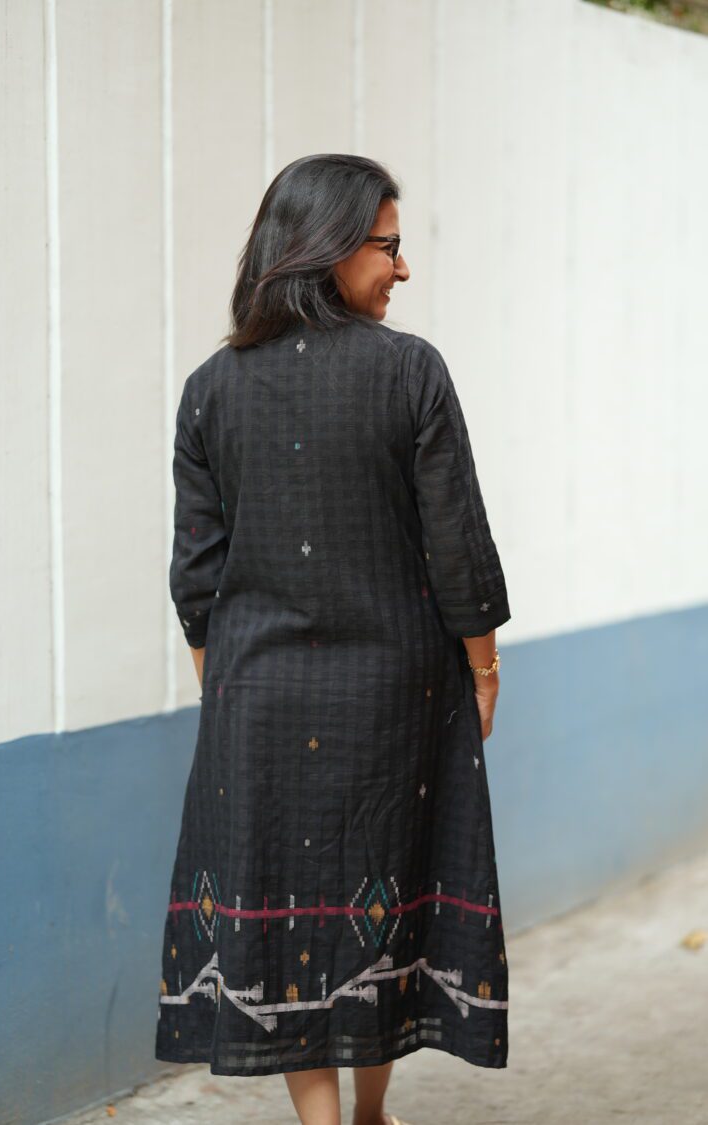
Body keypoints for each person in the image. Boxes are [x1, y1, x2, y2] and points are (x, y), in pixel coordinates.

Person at [154, 154, 511, 1125]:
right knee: (377, 892)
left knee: (287, 912)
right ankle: (365, 1117)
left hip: (253, 698)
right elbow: (458, 548)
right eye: (390, 246)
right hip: (394, 695)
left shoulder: (208, 389)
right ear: (329, 248)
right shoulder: (409, 372)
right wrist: (482, 669)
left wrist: (220, 685)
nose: (402, 269)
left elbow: (198, 573)